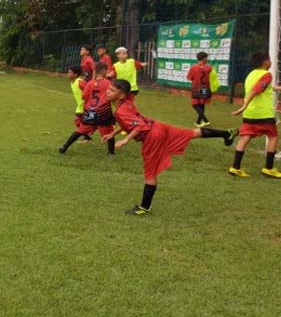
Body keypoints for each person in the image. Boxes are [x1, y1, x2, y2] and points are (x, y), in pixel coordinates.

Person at [104, 79, 238, 216]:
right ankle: (226, 134)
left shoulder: (121, 111)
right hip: (158, 126)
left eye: (112, 90)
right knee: (191, 133)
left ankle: (144, 207)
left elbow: (139, 126)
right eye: (109, 89)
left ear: (121, 95)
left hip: (152, 136)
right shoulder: (125, 103)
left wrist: (125, 140)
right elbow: (130, 122)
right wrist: (113, 133)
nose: (108, 91)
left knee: (150, 173)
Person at [229, 52, 281, 178]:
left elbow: (265, 88)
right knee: (273, 137)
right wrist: (244, 105)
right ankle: (268, 168)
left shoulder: (251, 74)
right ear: (265, 62)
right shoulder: (267, 74)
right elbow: (255, 90)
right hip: (263, 113)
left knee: (245, 137)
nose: (271, 62)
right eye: (269, 59)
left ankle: (235, 167)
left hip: (250, 113)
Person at [59, 62, 114, 155]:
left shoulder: (90, 83)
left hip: (90, 111)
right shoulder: (108, 83)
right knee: (109, 132)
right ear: (104, 71)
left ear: (95, 71)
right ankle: (111, 153)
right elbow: (112, 95)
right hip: (103, 112)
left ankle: (65, 145)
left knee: (81, 130)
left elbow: (84, 96)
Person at [186, 51, 217, 127]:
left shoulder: (194, 67)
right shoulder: (209, 67)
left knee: (194, 105)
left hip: (196, 88)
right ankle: (198, 122)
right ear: (203, 58)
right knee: (201, 104)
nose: (207, 59)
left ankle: (206, 121)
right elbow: (213, 78)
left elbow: (189, 78)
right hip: (204, 88)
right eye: (206, 57)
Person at [66, 65, 92, 144]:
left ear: (76, 74)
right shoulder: (72, 82)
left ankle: (87, 137)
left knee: (79, 121)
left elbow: (89, 91)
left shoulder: (80, 82)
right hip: (80, 106)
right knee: (78, 122)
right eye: (68, 72)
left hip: (86, 106)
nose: (68, 74)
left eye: (70, 72)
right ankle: (87, 137)